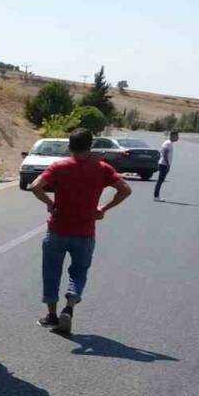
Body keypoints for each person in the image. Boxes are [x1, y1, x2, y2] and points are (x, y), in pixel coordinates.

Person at [29, 128, 133, 335]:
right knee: (78, 272)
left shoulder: (59, 167)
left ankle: (51, 315)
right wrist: (103, 209)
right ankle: (69, 307)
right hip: (84, 231)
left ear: (69, 146)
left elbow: (35, 186)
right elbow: (125, 190)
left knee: (51, 271)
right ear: (91, 146)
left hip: (57, 229)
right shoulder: (102, 168)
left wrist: (50, 203)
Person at [154, 130, 179, 200]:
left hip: (164, 164)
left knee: (161, 180)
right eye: (177, 136)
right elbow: (165, 154)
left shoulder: (169, 143)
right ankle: (156, 196)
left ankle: (156, 195)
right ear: (173, 136)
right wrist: (167, 165)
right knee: (160, 180)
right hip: (164, 164)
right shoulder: (168, 143)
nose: (178, 138)